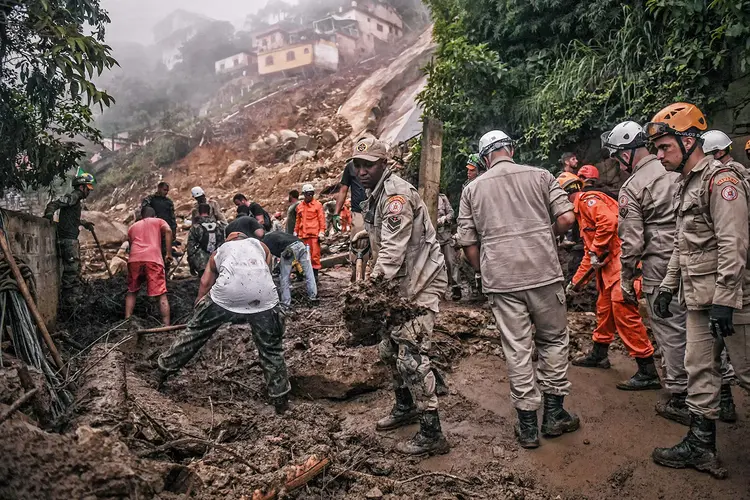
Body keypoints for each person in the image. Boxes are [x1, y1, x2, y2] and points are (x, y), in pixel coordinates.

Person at [603, 121, 737, 425]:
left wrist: (625, 277)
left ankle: (680, 396)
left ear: (626, 152)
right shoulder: (681, 172)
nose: (616, 164)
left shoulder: (634, 186)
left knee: (671, 332)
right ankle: (724, 396)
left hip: (661, 263)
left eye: (616, 157)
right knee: (705, 330)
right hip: (697, 259)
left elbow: (632, 241)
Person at [458, 130, 579, 449]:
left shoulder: (472, 189)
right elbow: (567, 218)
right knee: (553, 340)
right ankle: (554, 415)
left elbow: (468, 242)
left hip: (502, 280)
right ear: (510, 149)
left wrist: (484, 270)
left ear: (484, 158)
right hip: (544, 273)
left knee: (517, 348)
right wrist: (546, 236)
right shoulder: (541, 176)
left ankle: (527, 427)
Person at [648, 103, 750, 478]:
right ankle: (700, 445)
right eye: (656, 148)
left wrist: (724, 300)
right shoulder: (684, 184)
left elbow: (733, 244)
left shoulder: (721, 182)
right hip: (698, 299)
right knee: (698, 368)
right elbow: (683, 244)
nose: (659, 155)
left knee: (747, 371)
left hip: (734, 300)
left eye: (664, 147)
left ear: (690, 141)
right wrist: (667, 286)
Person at [351, 135, 449, 456]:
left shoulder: (395, 196)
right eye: (358, 165)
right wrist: (368, 235)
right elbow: (387, 237)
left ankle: (432, 432)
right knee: (387, 350)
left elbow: (393, 248)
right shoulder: (375, 196)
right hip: (400, 283)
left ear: (384, 164)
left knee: (411, 357)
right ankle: (405, 406)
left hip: (420, 282)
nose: (362, 170)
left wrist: (369, 290)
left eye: (369, 165)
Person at [158, 232, 291, 414]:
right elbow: (264, 274)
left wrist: (200, 308)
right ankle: (280, 398)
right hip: (264, 298)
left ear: (228, 240)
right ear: (244, 238)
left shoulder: (219, 251)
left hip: (225, 297)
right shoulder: (261, 246)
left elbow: (205, 282)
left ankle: (162, 369)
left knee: (194, 333)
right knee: (271, 349)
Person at [559, 172, 660, 390]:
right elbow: (590, 253)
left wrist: (596, 249)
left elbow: (609, 222)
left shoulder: (588, 200)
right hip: (609, 270)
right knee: (604, 310)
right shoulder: (582, 213)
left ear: (565, 195)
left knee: (624, 313)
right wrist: (575, 283)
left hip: (623, 266)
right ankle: (599, 354)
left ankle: (647, 370)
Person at [44, 172, 96, 309]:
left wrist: (84, 223)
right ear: (82, 187)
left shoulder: (76, 200)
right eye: (87, 188)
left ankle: (73, 299)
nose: (88, 192)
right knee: (71, 271)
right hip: (68, 240)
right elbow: (55, 203)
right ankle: (70, 303)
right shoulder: (74, 196)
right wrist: (49, 214)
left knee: (73, 269)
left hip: (69, 239)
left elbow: (72, 218)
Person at [125, 206, 173, 326]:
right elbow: (168, 231)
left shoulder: (132, 227)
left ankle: (127, 321)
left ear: (141, 216)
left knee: (132, 291)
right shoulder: (159, 221)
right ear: (154, 216)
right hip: (153, 259)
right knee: (161, 294)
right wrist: (168, 253)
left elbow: (130, 245)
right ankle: (166, 325)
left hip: (134, 260)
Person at [262, 231, 317, 306]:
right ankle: (313, 297)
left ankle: (286, 303)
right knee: (309, 273)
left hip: (289, 250)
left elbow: (269, 258)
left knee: (284, 278)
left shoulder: (263, 242)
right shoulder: (274, 234)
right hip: (301, 244)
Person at [334, 159, 368, 279]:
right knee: (358, 245)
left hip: (377, 211)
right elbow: (343, 190)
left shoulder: (376, 164)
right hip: (358, 212)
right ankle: (357, 280)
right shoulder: (351, 167)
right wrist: (336, 214)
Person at [294, 184, 326, 282]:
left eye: (311, 194)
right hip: (302, 236)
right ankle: (299, 275)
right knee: (299, 256)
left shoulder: (317, 205)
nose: (310, 196)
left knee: (314, 256)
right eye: (308, 194)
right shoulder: (299, 206)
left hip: (313, 236)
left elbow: (321, 219)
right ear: (304, 194)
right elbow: (298, 221)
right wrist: (295, 231)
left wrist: (322, 232)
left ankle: (315, 277)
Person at [187, 204, 225, 276]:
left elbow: (190, 249)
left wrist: (192, 265)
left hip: (202, 263)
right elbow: (223, 244)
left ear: (198, 212)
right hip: (217, 262)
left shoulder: (195, 228)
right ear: (210, 212)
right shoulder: (219, 226)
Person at [437, 193, 461, 300]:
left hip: (446, 237)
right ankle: (439, 292)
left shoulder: (442, 198)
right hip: (432, 239)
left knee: (451, 262)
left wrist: (444, 218)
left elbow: (451, 213)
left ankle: (456, 288)